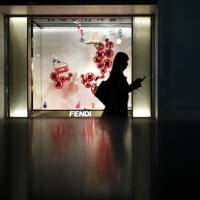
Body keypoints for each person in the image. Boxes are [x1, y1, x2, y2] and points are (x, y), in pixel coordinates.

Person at [101, 52, 145, 118]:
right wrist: (135, 84)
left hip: (115, 109)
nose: (127, 64)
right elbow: (123, 90)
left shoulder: (116, 74)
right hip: (117, 110)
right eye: (125, 62)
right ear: (120, 62)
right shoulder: (118, 75)